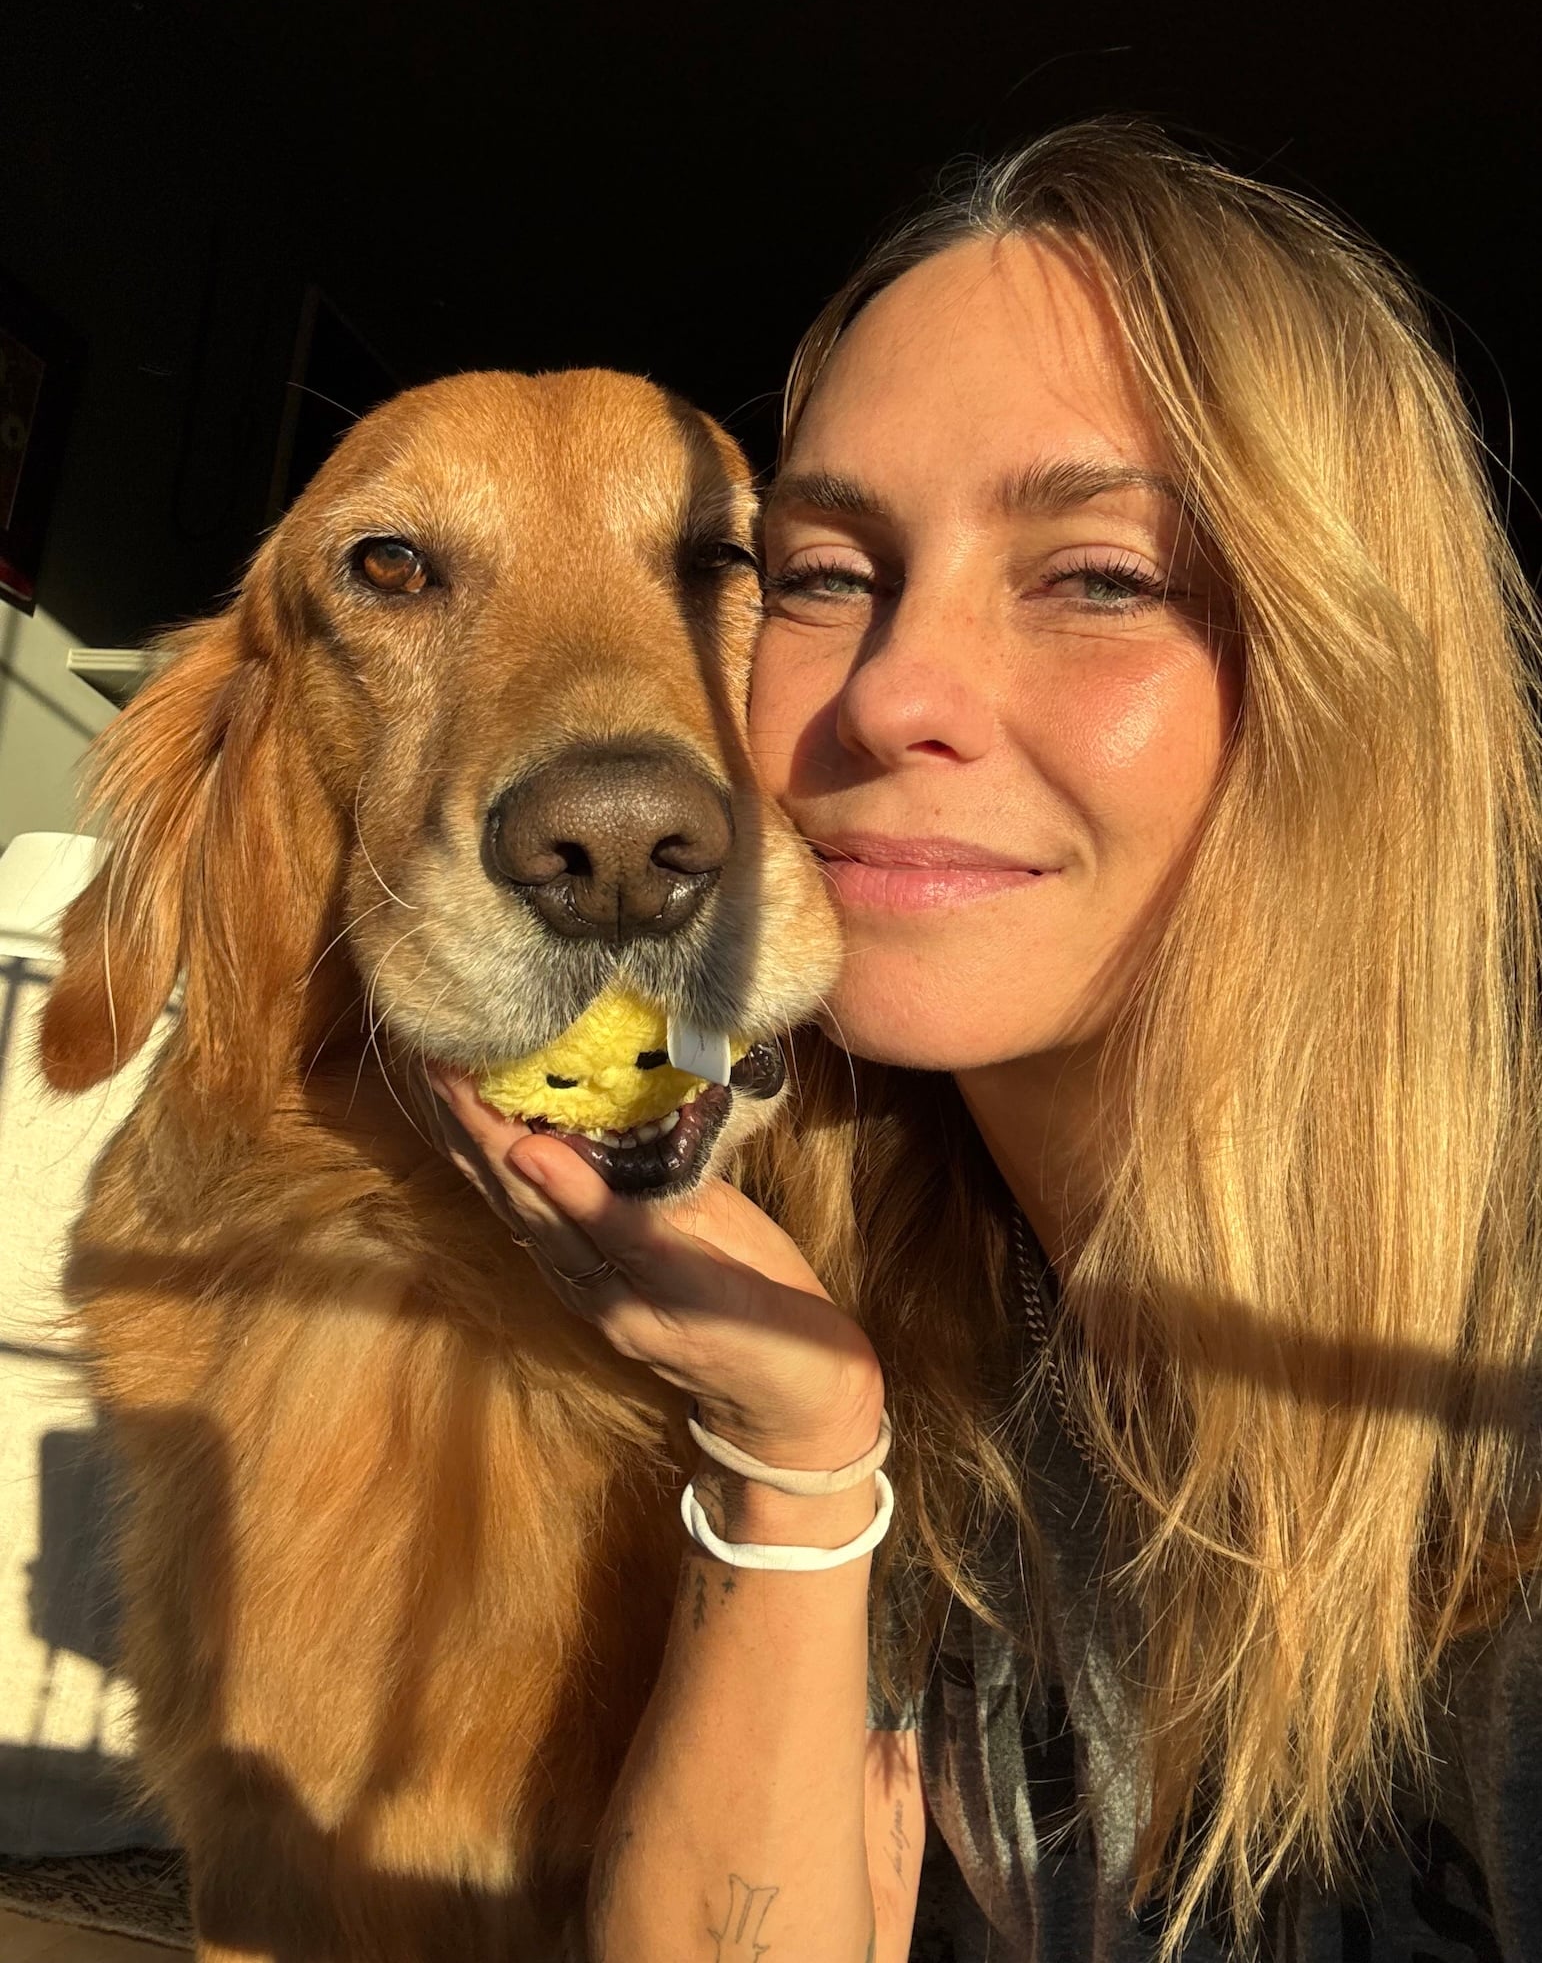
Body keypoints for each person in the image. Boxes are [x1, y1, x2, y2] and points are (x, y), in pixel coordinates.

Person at [432, 119, 1542, 1960]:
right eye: (822, 573)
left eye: (1099, 577)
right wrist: (794, 1445)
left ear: (1356, 680)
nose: (890, 695)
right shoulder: (792, 1173)